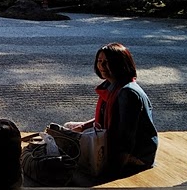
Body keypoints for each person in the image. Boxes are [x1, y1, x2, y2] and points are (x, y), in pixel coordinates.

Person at [64, 42, 158, 174]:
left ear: (120, 64)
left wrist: (110, 169)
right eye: (99, 61)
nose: (101, 66)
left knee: (72, 150)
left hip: (138, 154)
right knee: (69, 127)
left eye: (107, 62)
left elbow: (126, 137)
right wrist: (84, 126)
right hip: (118, 141)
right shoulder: (112, 85)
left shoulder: (128, 93)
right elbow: (111, 116)